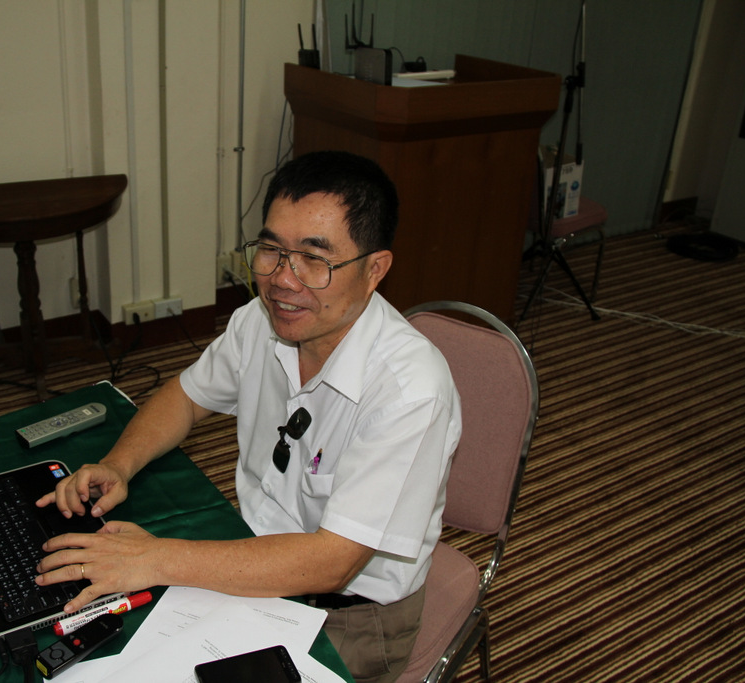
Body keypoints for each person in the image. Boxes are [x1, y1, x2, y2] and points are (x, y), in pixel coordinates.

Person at [35, 150, 461, 683]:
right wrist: (118, 464)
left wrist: (156, 559)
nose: (283, 279)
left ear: (374, 269)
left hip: (348, 616)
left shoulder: (410, 391)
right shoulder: (262, 321)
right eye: (271, 250)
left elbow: (334, 561)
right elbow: (187, 397)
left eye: (314, 259)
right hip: (247, 552)